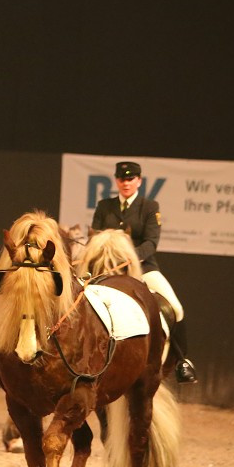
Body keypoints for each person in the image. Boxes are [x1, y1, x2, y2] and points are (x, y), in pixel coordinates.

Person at [91, 161, 197, 384]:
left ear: (139, 181)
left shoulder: (149, 207)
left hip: (142, 267)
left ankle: (182, 361)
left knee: (176, 307)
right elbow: (96, 238)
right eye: (122, 179)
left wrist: (129, 256)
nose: (126, 183)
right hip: (106, 268)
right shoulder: (104, 206)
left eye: (130, 179)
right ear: (116, 181)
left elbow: (151, 242)